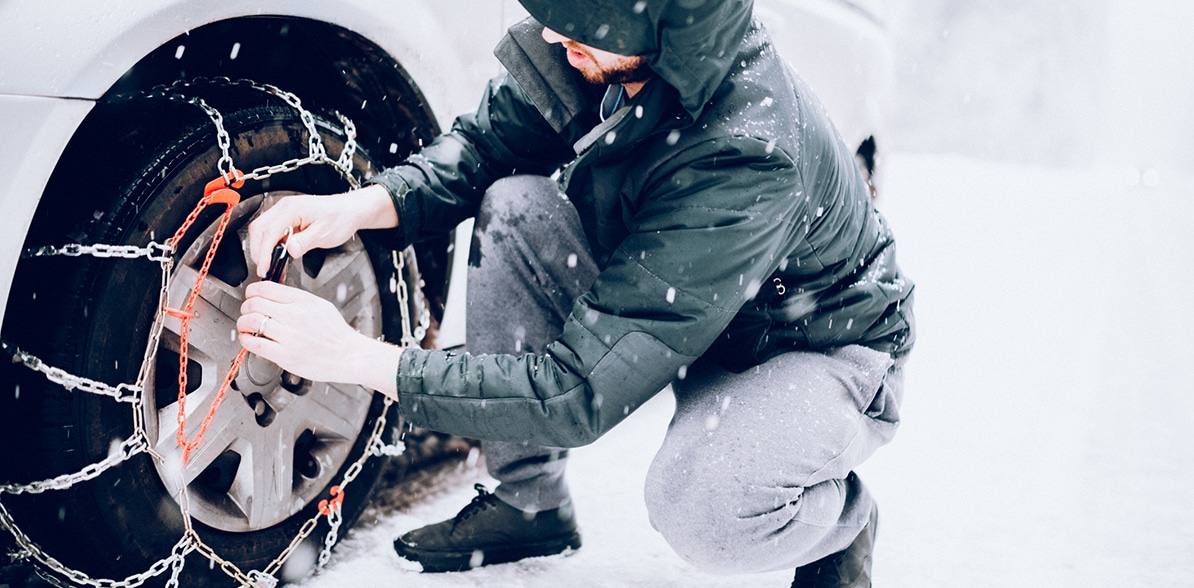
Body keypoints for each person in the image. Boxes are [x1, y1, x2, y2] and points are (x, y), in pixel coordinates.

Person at [237, 0, 914, 585]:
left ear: (655, 25)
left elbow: (574, 392)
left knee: (701, 508)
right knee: (518, 204)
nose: (555, 36)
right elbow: (485, 147)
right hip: (697, 307)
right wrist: (363, 205)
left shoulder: (745, 156)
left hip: (815, 348)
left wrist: (355, 359)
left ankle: (840, 524)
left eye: (577, 24)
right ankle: (529, 500)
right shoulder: (609, 48)